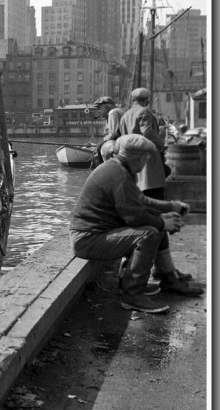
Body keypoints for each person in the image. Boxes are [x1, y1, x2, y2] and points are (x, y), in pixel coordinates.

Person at [70, 134, 203, 313]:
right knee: (150, 233)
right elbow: (135, 217)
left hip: (96, 234)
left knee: (156, 224)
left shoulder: (119, 169)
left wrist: (169, 207)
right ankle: (133, 295)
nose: (147, 161)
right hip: (88, 239)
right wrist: (163, 223)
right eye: (146, 157)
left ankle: (167, 278)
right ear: (139, 157)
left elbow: (140, 201)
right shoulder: (118, 175)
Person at [119, 87, 195, 285]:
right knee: (159, 219)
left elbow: (119, 138)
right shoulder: (144, 113)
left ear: (132, 98)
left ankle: (164, 269)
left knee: (152, 219)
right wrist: (162, 141)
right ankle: (163, 271)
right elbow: (149, 136)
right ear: (147, 100)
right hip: (150, 172)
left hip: (136, 172)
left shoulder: (126, 114)